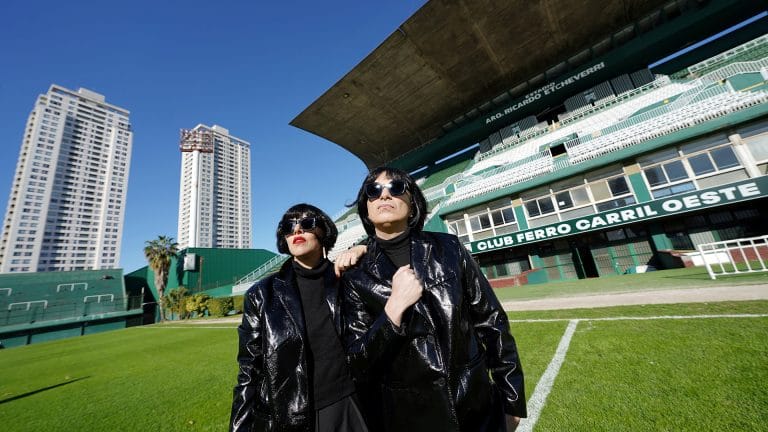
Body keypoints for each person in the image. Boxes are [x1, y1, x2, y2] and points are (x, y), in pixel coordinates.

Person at [341, 167, 527, 432]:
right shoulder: (354, 276)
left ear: (412, 203)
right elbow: (357, 362)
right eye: (374, 190)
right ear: (366, 209)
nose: (384, 195)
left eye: (396, 188)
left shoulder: (450, 248)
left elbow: (492, 323)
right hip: (406, 418)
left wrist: (512, 401)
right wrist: (393, 310)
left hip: (474, 405)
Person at [230, 203, 368, 432]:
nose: (296, 230)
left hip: (346, 406)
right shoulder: (261, 294)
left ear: (324, 231)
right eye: (288, 226)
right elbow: (249, 370)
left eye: (307, 223)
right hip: (289, 416)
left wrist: (365, 246)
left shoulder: (348, 280)